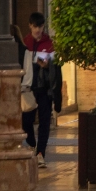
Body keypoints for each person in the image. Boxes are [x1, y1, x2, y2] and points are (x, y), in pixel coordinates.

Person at [21, 12, 61, 168]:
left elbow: (56, 68)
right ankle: (32, 144)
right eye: (35, 26)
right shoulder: (26, 43)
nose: (37, 29)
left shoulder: (50, 44)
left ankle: (40, 153)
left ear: (44, 26)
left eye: (40, 26)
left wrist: (47, 65)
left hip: (44, 88)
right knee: (26, 120)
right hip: (29, 87)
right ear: (30, 26)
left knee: (45, 121)